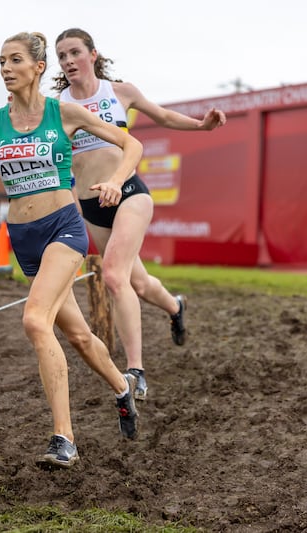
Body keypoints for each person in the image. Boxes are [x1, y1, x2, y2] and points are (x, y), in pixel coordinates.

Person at [0, 31, 143, 469]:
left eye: (14, 60)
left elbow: (131, 143)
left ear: (38, 68)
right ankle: (121, 387)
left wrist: (116, 180)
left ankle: (64, 438)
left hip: (64, 227)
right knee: (76, 335)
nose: (5, 68)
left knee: (35, 321)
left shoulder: (66, 112)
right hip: (24, 238)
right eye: (0, 61)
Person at [53, 28, 227, 401]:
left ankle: (135, 372)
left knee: (115, 277)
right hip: (91, 206)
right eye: (62, 56)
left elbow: (161, 115)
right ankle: (175, 306)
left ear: (93, 55)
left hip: (130, 194)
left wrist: (201, 125)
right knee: (141, 285)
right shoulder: (58, 106)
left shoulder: (120, 92)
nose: (68, 61)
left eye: (74, 53)